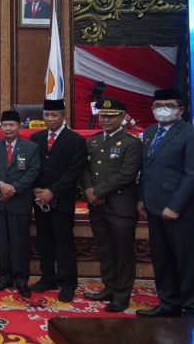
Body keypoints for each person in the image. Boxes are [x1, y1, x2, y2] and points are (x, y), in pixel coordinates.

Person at [137, 89, 194, 318]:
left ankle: (190, 306)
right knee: (162, 257)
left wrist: (175, 206)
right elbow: (146, 169)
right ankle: (168, 302)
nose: (162, 109)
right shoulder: (150, 132)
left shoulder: (188, 134)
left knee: (185, 259)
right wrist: (142, 198)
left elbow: (192, 174)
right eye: (157, 105)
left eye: (168, 105)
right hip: (153, 206)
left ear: (180, 109)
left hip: (180, 209)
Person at [82, 97, 142, 312]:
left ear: (123, 117)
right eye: (102, 116)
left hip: (120, 206)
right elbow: (86, 169)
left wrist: (98, 192)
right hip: (97, 206)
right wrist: (89, 190)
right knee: (105, 249)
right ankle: (109, 287)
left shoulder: (131, 143)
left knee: (123, 253)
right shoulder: (94, 141)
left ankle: (121, 295)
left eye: (111, 116)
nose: (105, 119)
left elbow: (127, 174)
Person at [29, 99, 87, 302]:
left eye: (54, 115)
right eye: (47, 115)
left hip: (61, 199)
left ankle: (68, 282)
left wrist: (52, 191)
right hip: (40, 200)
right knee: (44, 240)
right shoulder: (36, 138)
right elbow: (31, 166)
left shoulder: (75, 140)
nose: (50, 119)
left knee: (64, 242)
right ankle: (48, 278)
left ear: (63, 116)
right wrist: (36, 188)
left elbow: (74, 171)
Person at [0, 110, 40, 297]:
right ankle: (4, 277)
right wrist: (1, 186)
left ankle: (22, 280)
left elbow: (33, 171)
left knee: (20, 242)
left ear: (19, 127)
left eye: (12, 125)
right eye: (5, 125)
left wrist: (13, 189)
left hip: (20, 201)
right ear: (0, 127)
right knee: (2, 242)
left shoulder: (31, 147)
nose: (8, 128)